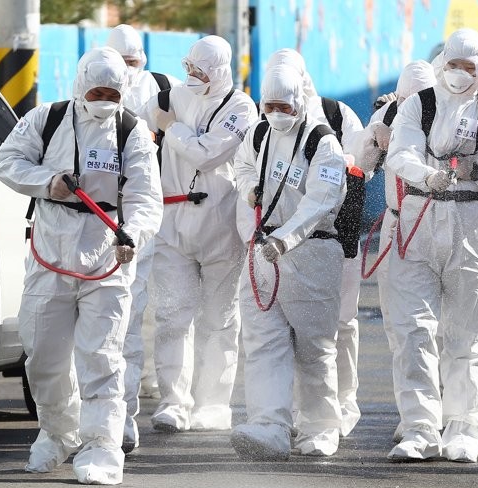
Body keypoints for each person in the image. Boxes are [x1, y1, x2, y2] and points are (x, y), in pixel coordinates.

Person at [0, 47, 162, 484]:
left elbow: (146, 198)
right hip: (50, 254)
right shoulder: (45, 119)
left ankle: (102, 446)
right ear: (80, 86)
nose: (103, 100)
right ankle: (57, 432)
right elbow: (7, 162)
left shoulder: (132, 132)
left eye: (112, 94)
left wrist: (132, 235)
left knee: (101, 357)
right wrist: (47, 182)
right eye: (96, 92)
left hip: (107, 257)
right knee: (43, 356)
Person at [382, 28, 478, 463]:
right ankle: (419, 428)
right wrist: (427, 176)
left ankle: (464, 427)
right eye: (453, 65)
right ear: (442, 63)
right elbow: (399, 154)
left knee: (466, 334)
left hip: (473, 222)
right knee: (412, 331)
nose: (460, 73)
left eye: (469, 66)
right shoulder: (418, 104)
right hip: (419, 218)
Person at [230, 64, 347, 460]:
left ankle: (320, 426)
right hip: (263, 252)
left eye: (285, 107)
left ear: (299, 102)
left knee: (314, 347)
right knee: (263, 341)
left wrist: (286, 239)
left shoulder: (323, 143)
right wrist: (250, 189)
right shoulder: (258, 133)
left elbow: (321, 199)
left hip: (311, 253)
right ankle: (269, 425)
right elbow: (242, 166)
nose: (277, 114)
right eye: (270, 106)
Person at [142, 35, 257, 433]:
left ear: (220, 71)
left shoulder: (241, 107)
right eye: (189, 67)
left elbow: (208, 154)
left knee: (219, 319)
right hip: (171, 223)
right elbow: (136, 132)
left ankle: (213, 404)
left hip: (220, 225)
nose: (193, 76)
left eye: (201, 71)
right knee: (172, 315)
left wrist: (171, 128)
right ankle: (174, 402)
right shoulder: (169, 96)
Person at [263, 48, 369, 438]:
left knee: (339, 323)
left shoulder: (336, 115)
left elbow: (362, 166)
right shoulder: (265, 124)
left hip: (334, 234)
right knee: (287, 328)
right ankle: (296, 409)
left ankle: (343, 402)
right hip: (280, 241)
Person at [105, 22, 181, 454]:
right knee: (118, 319)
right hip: (99, 219)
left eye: (133, 61)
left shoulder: (164, 90)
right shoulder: (90, 98)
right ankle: (113, 412)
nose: (127, 70)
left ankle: (130, 409)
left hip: (154, 212)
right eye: (121, 62)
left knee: (147, 312)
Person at [353, 60, 437, 442]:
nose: (412, 106)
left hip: (436, 220)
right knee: (399, 325)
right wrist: (374, 134)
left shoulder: (444, 117)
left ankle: (439, 408)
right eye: (406, 100)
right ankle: (413, 413)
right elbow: (362, 166)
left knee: (440, 326)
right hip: (396, 222)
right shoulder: (386, 115)